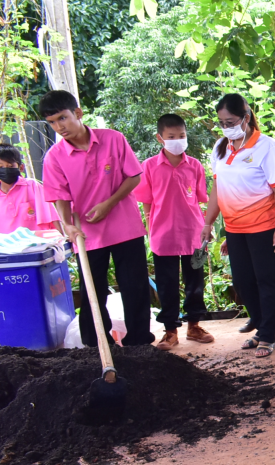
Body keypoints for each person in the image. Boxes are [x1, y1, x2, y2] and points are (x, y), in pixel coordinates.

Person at [39, 89, 155, 348]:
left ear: (77, 113)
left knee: (134, 287)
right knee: (94, 292)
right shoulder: (54, 158)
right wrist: (67, 224)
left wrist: (108, 204)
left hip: (126, 227)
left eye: (63, 118)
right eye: (52, 122)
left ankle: (139, 344)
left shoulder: (113, 139)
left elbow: (134, 176)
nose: (59, 127)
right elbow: (59, 196)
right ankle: (97, 346)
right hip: (87, 236)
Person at [202, 93, 275, 358]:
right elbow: (218, 187)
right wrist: (208, 222)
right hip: (235, 229)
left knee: (267, 279)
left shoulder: (266, 146)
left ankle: (267, 334)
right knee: (243, 281)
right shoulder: (221, 146)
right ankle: (263, 326)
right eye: (221, 122)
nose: (225, 126)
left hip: (264, 225)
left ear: (246, 116)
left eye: (230, 121)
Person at [132, 114, 216, 350]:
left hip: (194, 234)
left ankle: (194, 326)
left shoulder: (195, 165)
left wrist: (207, 226)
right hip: (163, 235)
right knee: (167, 284)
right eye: (171, 137)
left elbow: (201, 199)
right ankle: (170, 331)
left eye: (181, 136)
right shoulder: (148, 166)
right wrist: (150, 227)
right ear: (160, 138)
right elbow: (146, 201)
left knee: (195, 282)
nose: (177, 140)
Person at [0, 145, 60, 234]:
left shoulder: (32, 186)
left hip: (37, 244)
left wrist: (62, 241)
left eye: (10, 166)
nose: (5, 170)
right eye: (1, 167)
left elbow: (51, 217)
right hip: (7, 246)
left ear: (21, 167)